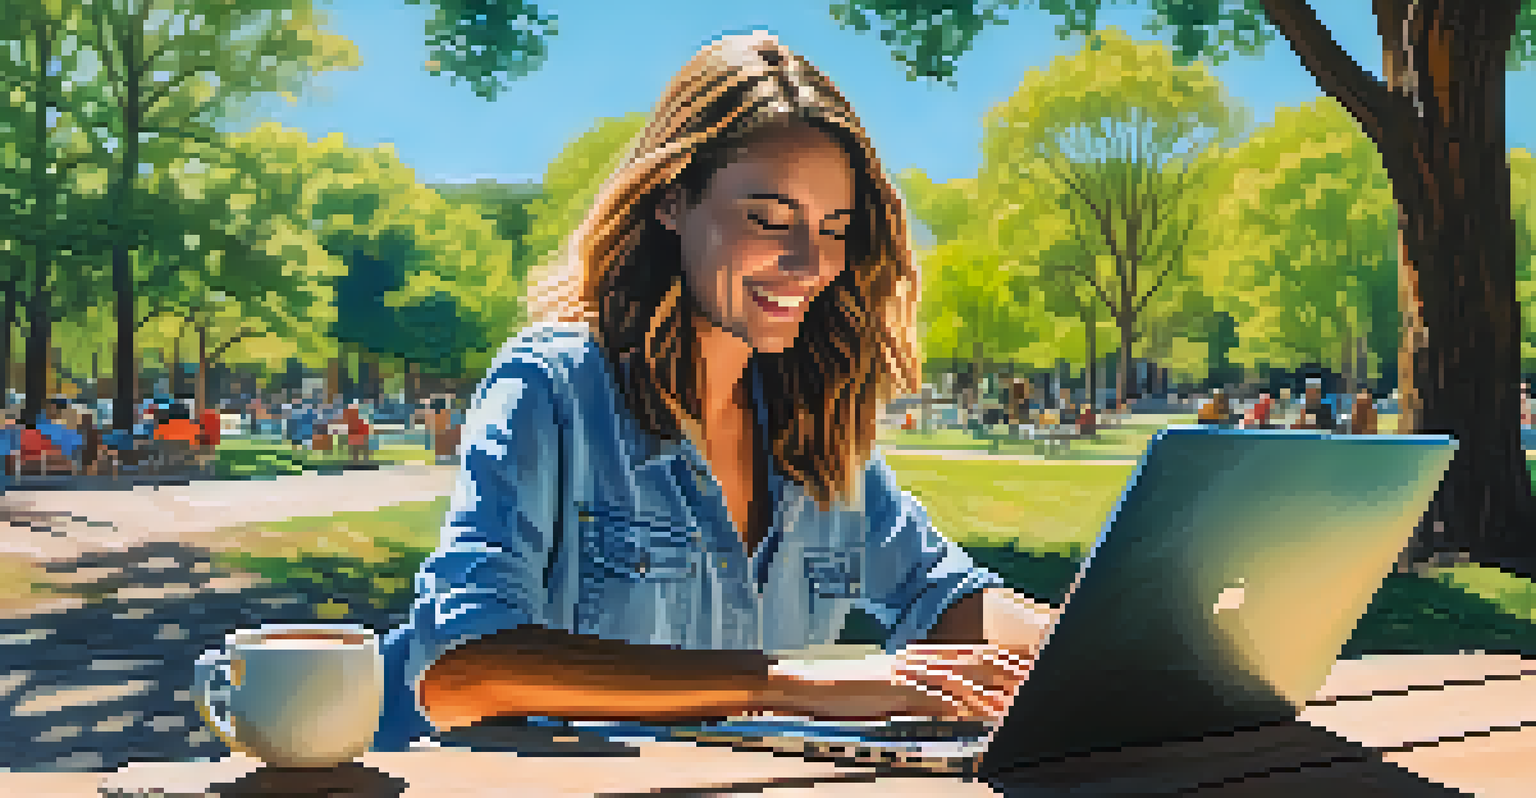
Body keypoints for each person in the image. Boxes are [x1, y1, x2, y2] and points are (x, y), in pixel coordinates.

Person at [372, 33, 1053, 753]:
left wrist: (1118, 652)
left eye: (834, 229)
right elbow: (460, 667)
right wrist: (789, 683)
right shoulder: (556, 385)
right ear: (673, 200)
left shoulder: (812, 426)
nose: (808, 263)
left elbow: (942, 596)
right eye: (769, 218)